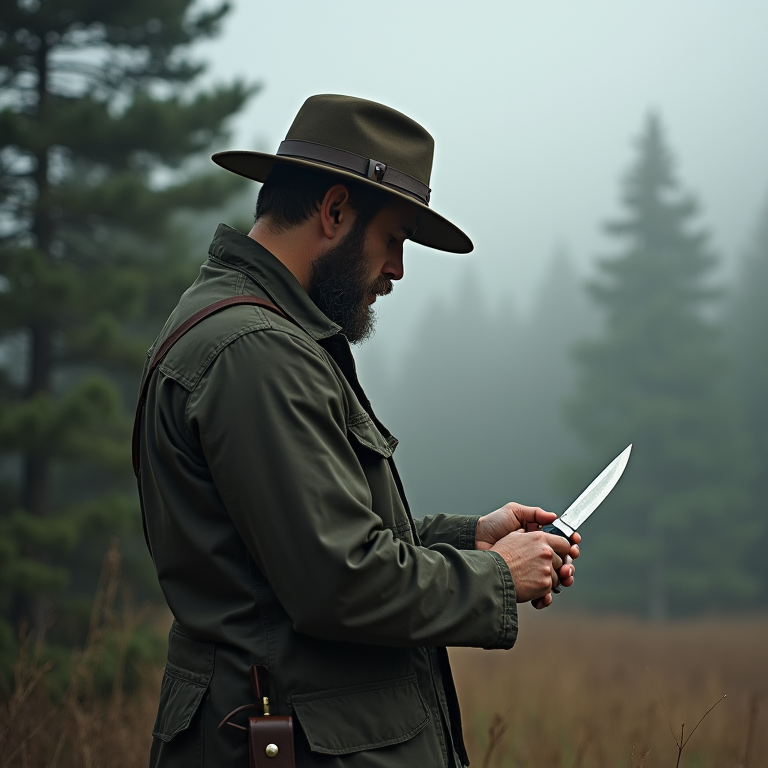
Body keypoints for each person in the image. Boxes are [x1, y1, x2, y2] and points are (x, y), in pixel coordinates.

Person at [134, 94, 581, 768]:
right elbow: (336, 582)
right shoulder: (257, 352)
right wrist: (493, 577)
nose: (397, 270)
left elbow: (294, 553)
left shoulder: (252, 332)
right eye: (394, 240)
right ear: (335, 211)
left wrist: (469, 538)